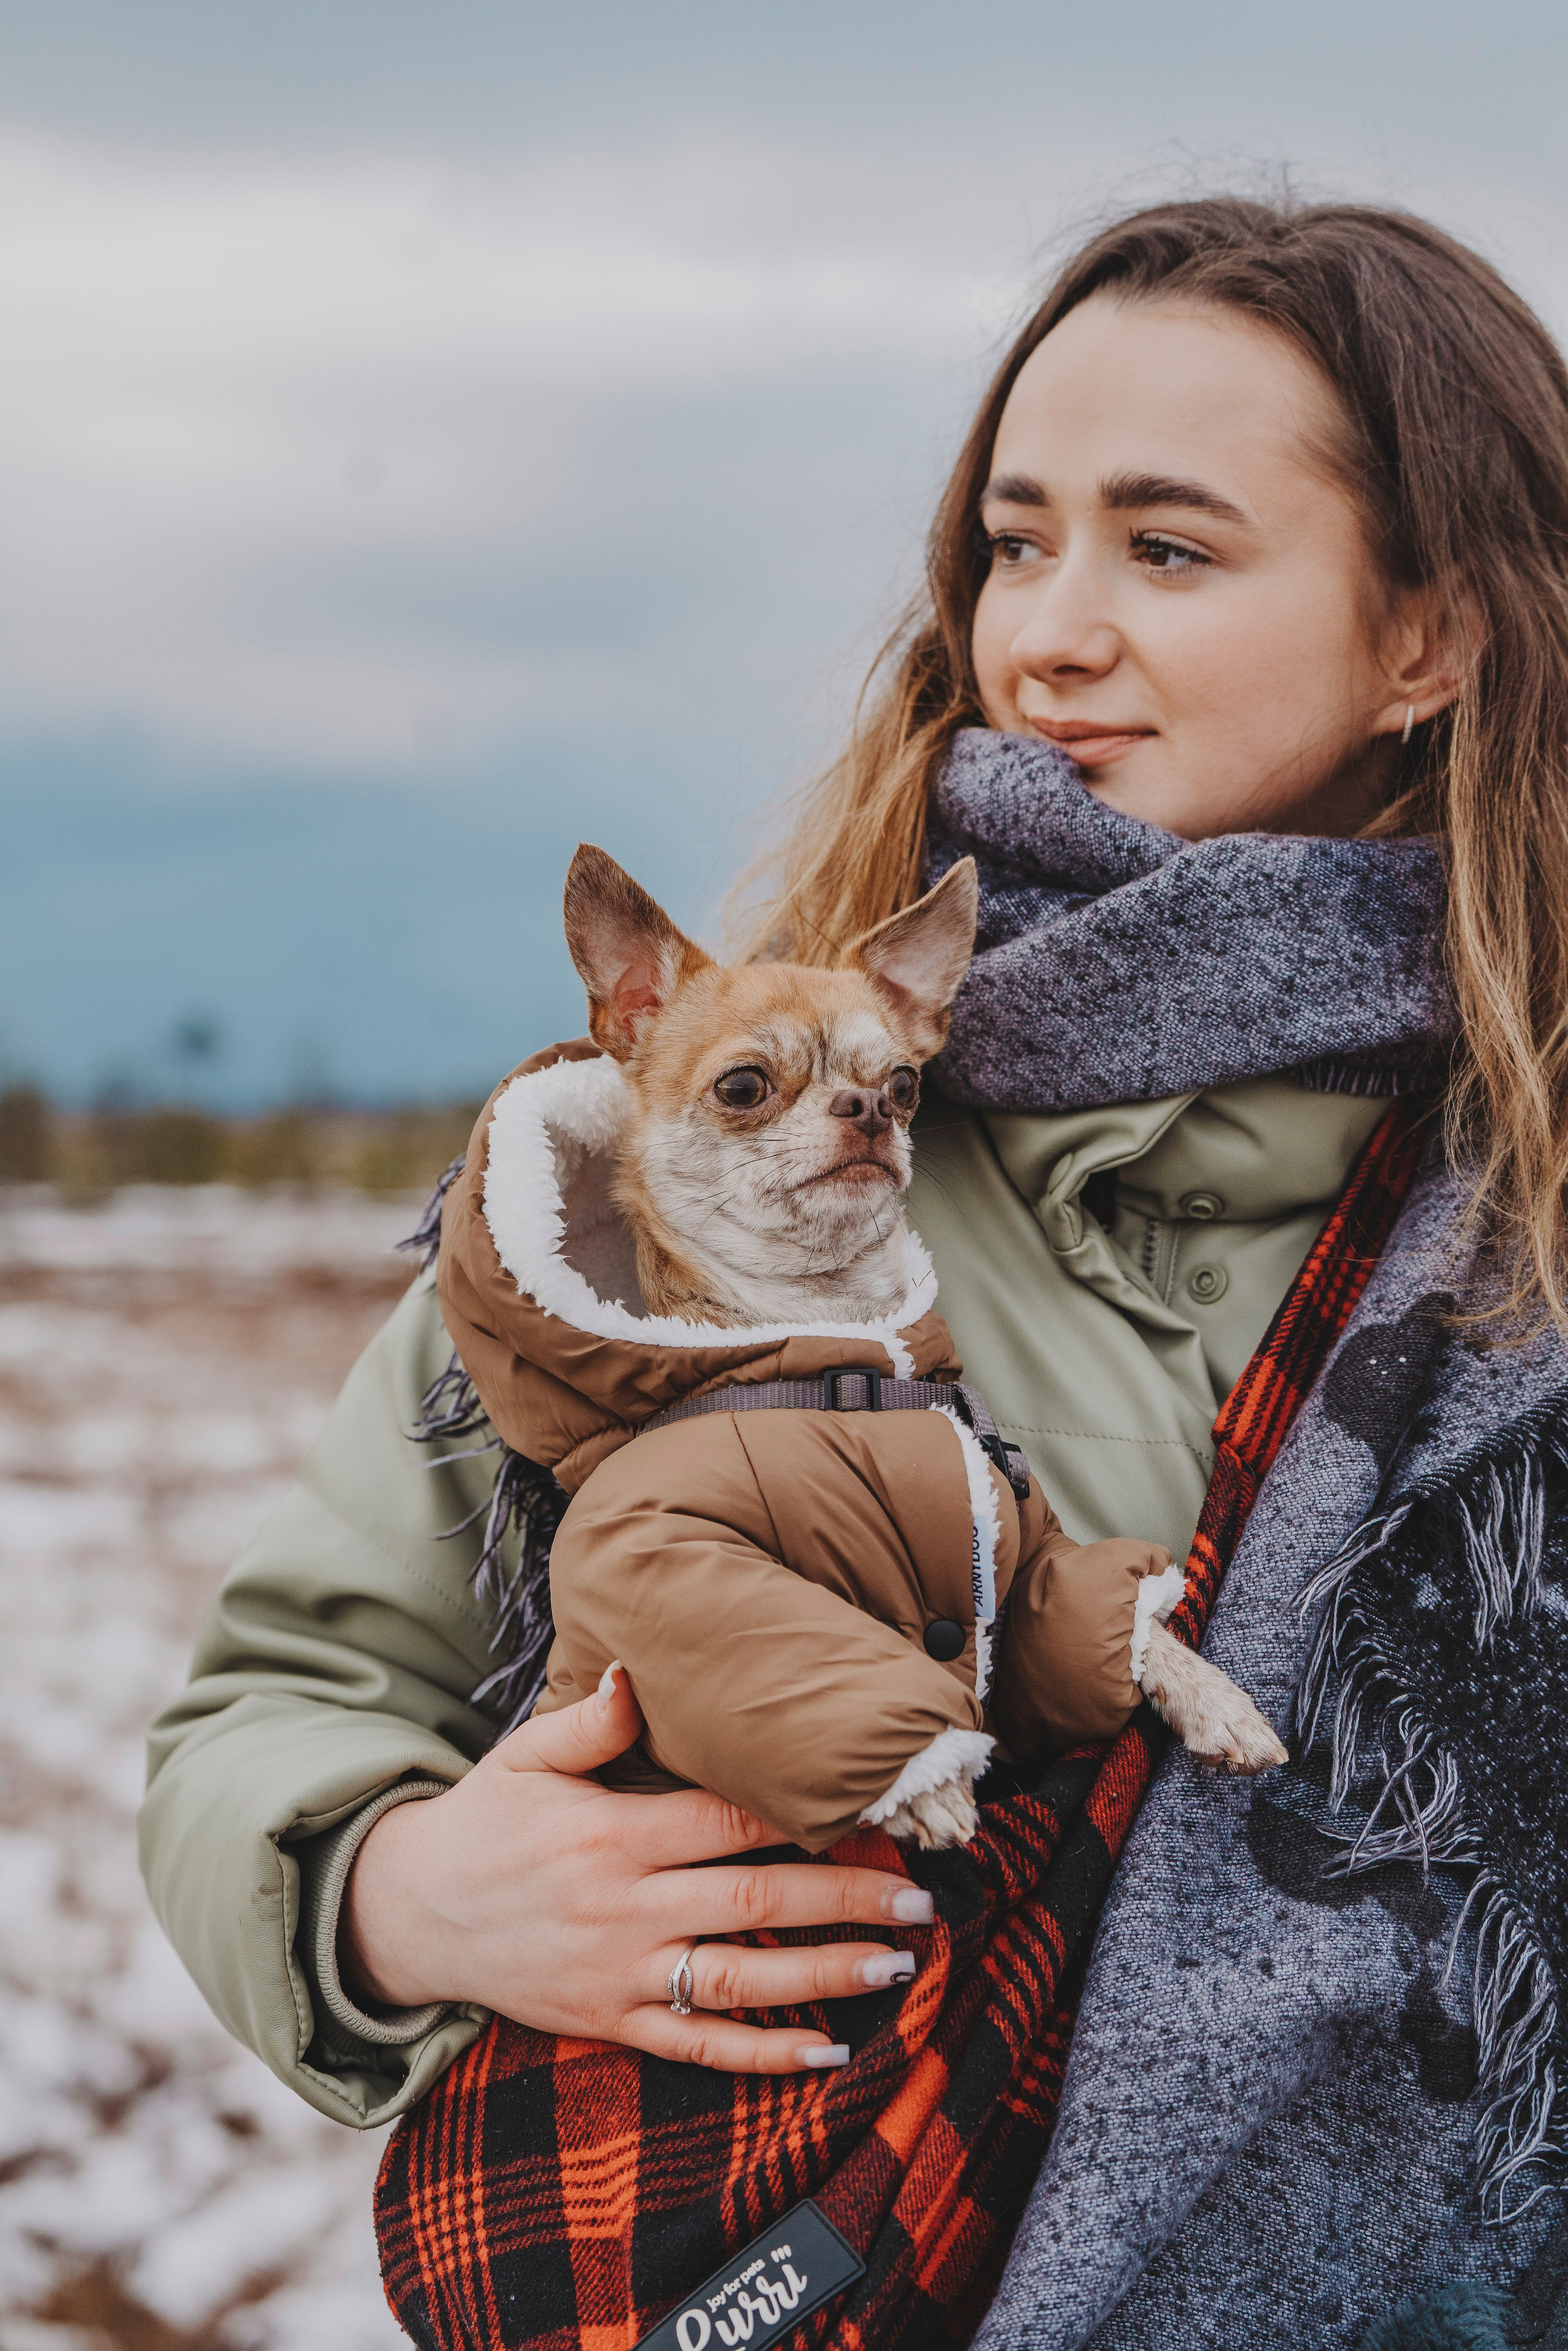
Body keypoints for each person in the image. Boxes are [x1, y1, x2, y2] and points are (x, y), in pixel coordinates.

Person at [141, 194, 1568, 2347]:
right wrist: (400, 1891)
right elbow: (276, 1708)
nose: (1049, 635)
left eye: (1167, 549)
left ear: (1430, 639)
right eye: (1014, 543)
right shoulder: (652, 1200)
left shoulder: (1522, 1230)